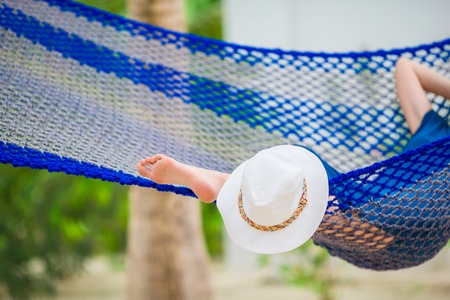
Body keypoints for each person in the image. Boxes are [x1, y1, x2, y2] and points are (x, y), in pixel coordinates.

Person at [136, 58, 450, 255]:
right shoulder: (434, 133)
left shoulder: (433, 133)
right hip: (397, 213)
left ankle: (226, 186)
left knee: (303, 178)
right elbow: (405, 68)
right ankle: (224, 185)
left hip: (391, 212)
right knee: (304, 181)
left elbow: (405, 68)